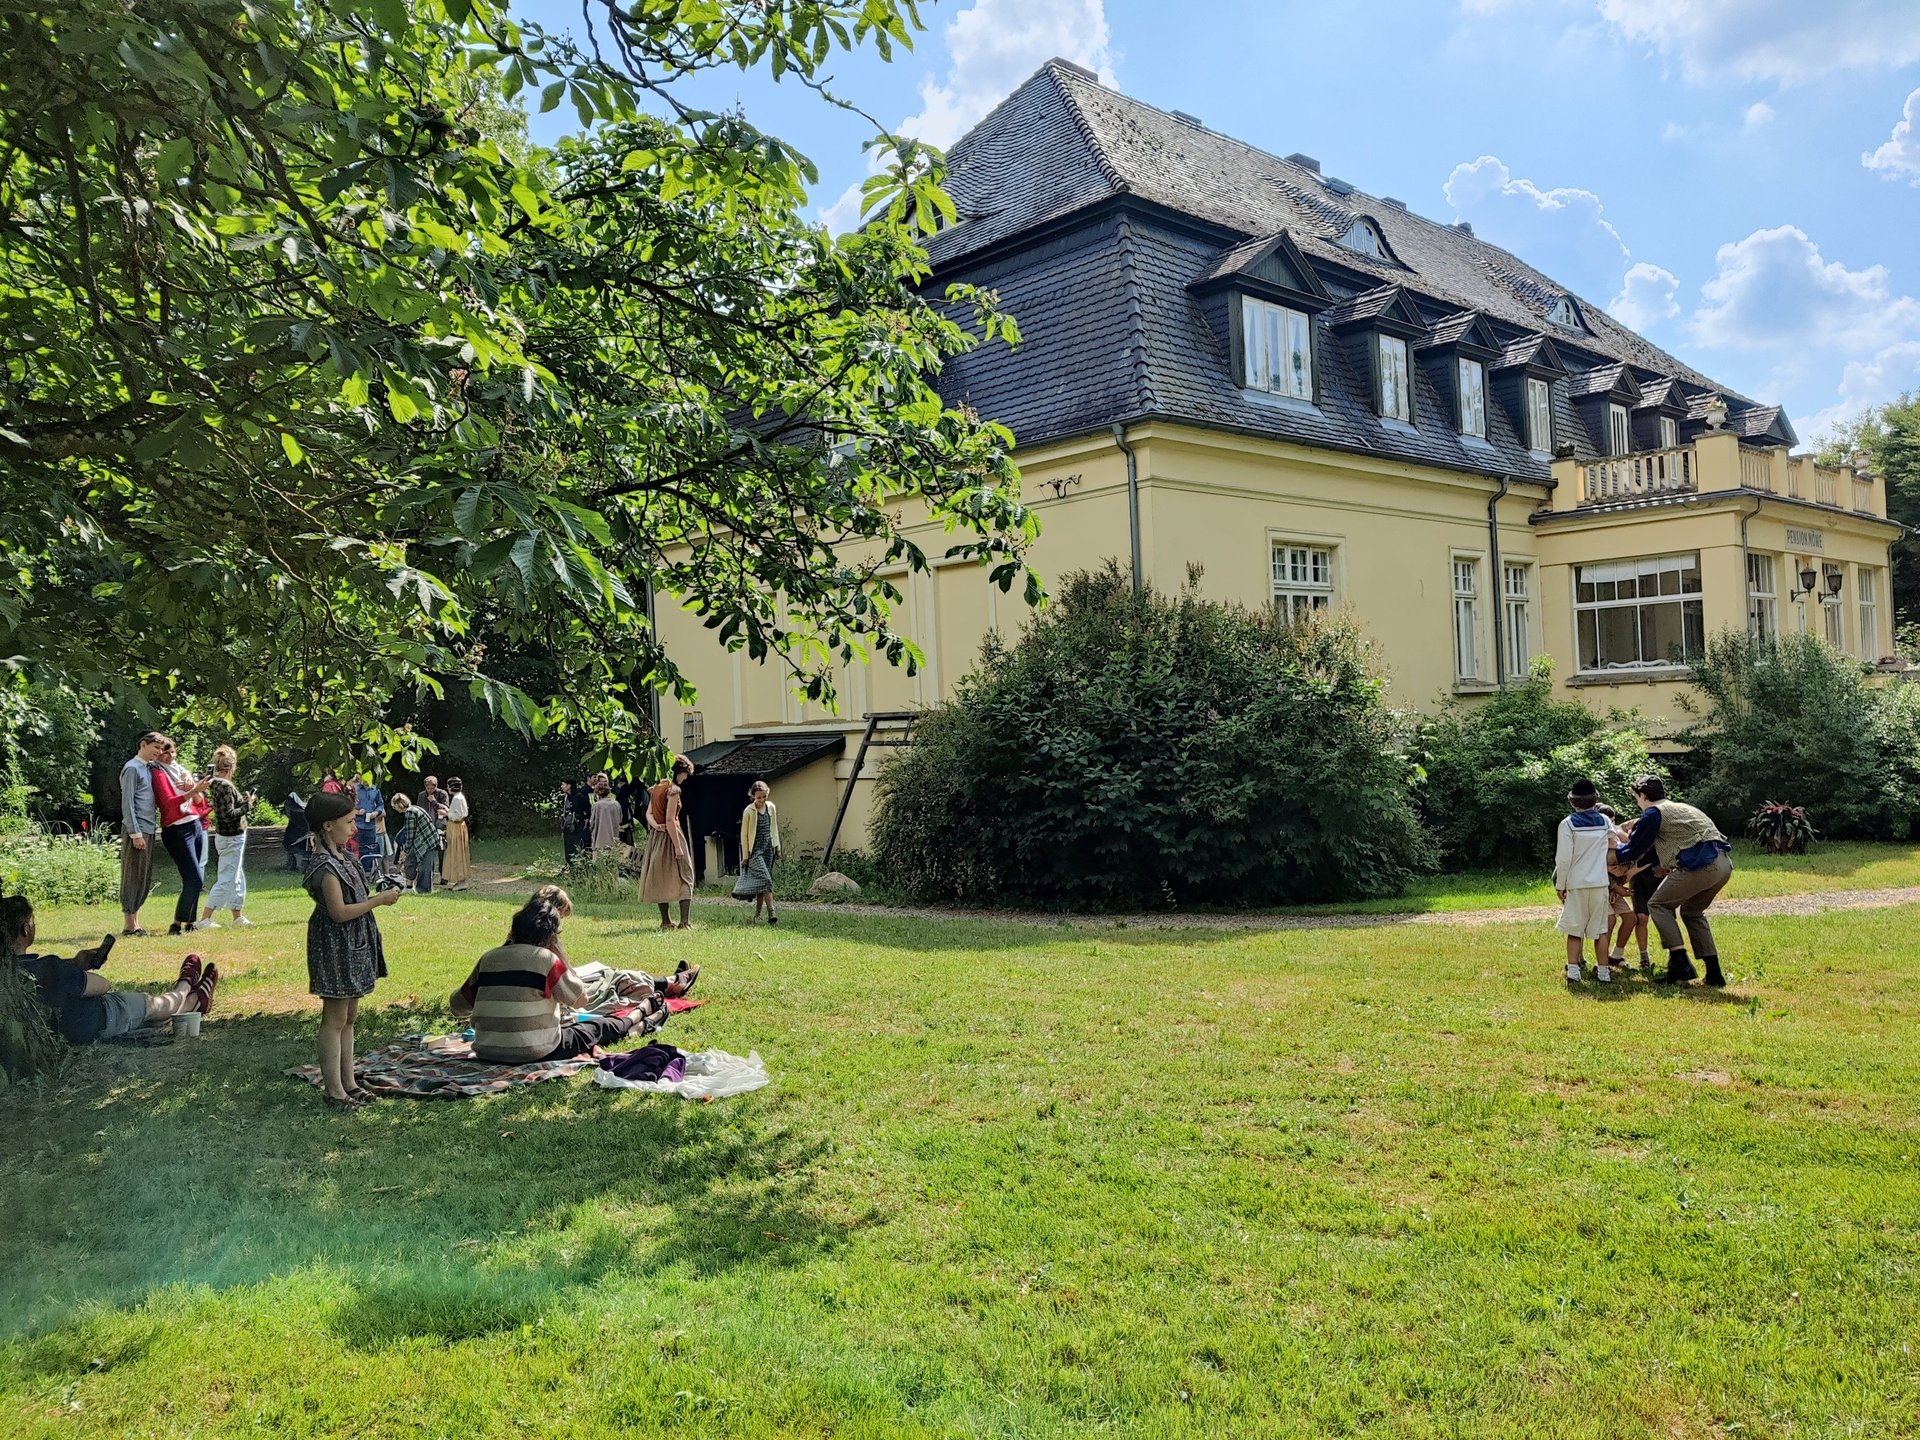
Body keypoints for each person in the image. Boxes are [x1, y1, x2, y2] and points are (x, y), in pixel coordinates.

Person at [449, 888, 664, 1063]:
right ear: (551, 936)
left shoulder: (488, 959)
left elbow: (458, 1006)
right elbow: (580, 1000)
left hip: (487, 1050)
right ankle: (638, 1018)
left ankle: (639, 1021)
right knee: (596, 1027)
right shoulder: (546, 960)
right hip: (536, 1051)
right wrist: (560, 955)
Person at [6, 894, 217, 1043]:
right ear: (25, 929)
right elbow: (102, 986)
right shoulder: (51, 968)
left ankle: (191, 998)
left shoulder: (10, 972)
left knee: (149, 1019)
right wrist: (78, 972)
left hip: (69, 1032)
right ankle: (187, 993)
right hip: (99, 1018)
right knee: (151, 1005)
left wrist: (75, 963)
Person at [303, 789, 401, 1108]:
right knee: (335, 1017)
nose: (354, 827)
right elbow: (339, 912)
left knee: (350, 1015)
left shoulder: (345, 857)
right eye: (348, 822)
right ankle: (334, 1091)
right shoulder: (326, 866)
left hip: (354, 943)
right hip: (334, 944)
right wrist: (378, 901)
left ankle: (349, 1082)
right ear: (328, 826)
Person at [1616, 775, 1734, 987]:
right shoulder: (1680, 808)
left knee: (1657, 904)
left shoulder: (1653, 813)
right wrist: (1637, 867)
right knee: (1692, 912)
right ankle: (1714, 973)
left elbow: (1636, 848)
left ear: (1643, 796)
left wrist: (1607, 852)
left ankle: (1680, 964)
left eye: (1636, 798)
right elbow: (1656, 852)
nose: (1637, 802)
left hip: (1702, 865)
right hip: (1723, 865)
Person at [1553, 778, 1617, 984]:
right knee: (1600, 929)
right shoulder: (1605, 821)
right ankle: (1604, 973)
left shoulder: (1568, 824)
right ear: (1595, 799)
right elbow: (1613, 843)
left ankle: (1573, 971)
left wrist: (1560, 885)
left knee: (1574, 928)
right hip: (1600, 883)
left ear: (1572, 802)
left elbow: (1563, 859)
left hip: (1576, 883)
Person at [150, 737, 211, 937]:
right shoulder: (157, 772)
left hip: (194, 823)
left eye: (172, 752)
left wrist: (193, 790)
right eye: (165, 752)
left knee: (196, 877)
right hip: (176, 829)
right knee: (194, 879)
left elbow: (200, 801)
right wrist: (194, 790)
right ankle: (177, 923)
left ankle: (190, 922)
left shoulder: (181, 770)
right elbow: (168, 803)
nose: (169, 756)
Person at [199, 745, 256, 929]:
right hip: (232, 837)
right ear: (232, 767)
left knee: (236, 876)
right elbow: (228, 813)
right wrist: (247, 805)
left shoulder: (213, 783)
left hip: (228, 836)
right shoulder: (225, 786)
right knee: (227, 877)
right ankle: (205, 918)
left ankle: (237, 915)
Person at [638, 756, 696, 930]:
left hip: (657, 836)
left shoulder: (656, 788)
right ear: (681, 772)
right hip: (671, 835)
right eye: (686, 774)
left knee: (661, 876)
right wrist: (678, 846)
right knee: (686, 875)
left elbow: (648, 814)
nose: (686, 778)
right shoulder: (673, 790)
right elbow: (670, 819)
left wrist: (656, 826)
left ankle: (666, 921)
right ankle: (684, 922)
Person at [118, 732, 164, 936]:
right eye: (155, 748)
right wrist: (135, 833)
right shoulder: (132, 769)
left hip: (148, 828)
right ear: (143, 745)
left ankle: (136, 921)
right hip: (137, 830)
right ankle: (129, 925)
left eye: (161, 749)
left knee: (143, 876)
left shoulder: (148, 768)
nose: (159, 752)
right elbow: (128, 803)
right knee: (132, 876)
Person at [732, 780, 781, 924]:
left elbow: (774, 828)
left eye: (764, 796)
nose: (762, 800)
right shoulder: (749, 811)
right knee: (766, 879)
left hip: (768, 849)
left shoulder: (771, 807)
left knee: (761, 884)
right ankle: (772, 911)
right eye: (759, 797)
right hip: (755, 851)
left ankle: (758, 915)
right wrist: (745, 856)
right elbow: (744, 835)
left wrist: (777, 847)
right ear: (753, 796)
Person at [391, 793, 438, 894]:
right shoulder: (414, 808)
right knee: (410, 861)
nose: (395, 809)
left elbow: (410, 834)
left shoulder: (410, 813)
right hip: (423, 840)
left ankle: (424, 890)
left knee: (425, 866)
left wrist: (405, 851)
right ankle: (409, 886)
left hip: (427, 841)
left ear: (399, 805)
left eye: (395, 806)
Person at [440, 776, 472, 890]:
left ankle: (461, 881)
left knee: (457, 853)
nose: (447, 788)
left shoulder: (457, 799)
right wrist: (448, 810)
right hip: (458, 827)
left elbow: (457, 816)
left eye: (449, 786)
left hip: (456, 827)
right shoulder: (459, 797)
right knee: (458, 852)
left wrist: (445, 813)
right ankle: (460, 880)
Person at [352, 773, 384, 880]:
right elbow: (348, 805)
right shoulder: (355, 789)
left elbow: (380, 804)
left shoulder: (375, 789)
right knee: (357, 849)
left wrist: (376, 813)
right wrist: (357, 812)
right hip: (357, 825)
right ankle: (357, 873)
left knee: (370, 850)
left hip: (371, 825)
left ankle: (368, 874)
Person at [587, 773, 623, 855]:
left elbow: (592, 823)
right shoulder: (616, 804)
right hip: (614, 839)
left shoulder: (597, 805)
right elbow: (620, 819)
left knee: (601, 864)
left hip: (600, 841)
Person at [282, 789, 310, 873]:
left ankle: (298, 861)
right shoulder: (299, 813)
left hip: (298, 835)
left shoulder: (298, 812)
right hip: (297, 834)